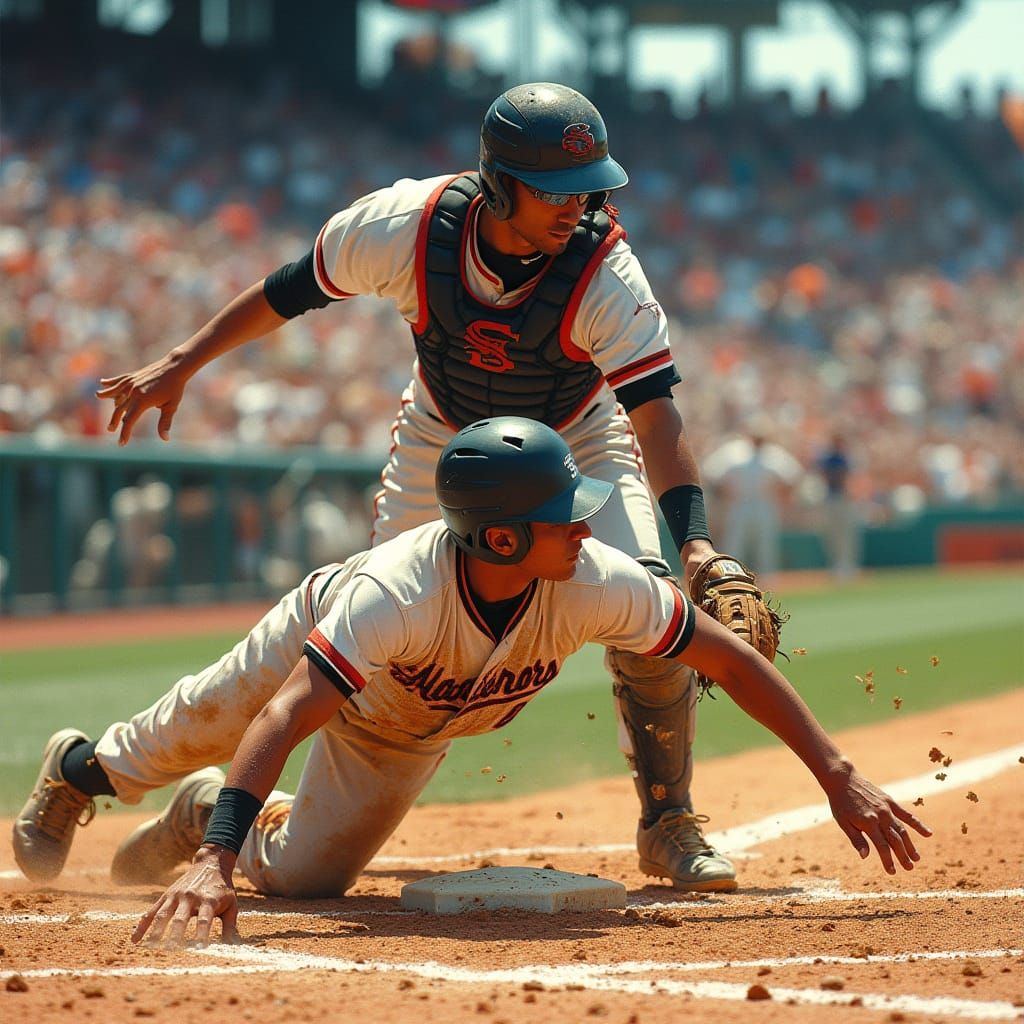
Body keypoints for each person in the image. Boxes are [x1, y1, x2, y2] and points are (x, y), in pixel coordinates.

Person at [99, 83, 763, 891]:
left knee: (652, 600)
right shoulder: (404, 227)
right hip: (444, 434)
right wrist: (182, 362)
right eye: (554, 190)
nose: (576, 207)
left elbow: (656, 419)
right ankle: (242, 805)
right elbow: (289, 289)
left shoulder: (605, 273)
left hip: (577, 437)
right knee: (385, 629)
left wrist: (692, 543)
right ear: (497, 182)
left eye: (588, 189)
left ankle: (668, 820)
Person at [13, 418, 930, 947]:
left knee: (306, 880)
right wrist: (215, 864)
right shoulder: (392, 595)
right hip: (324, 639)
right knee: (198, 723)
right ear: (499, 537)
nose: (586, 527)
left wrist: (835, 770)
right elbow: (292, 709)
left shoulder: (591, 579)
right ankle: (85, 773)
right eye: (562, 516)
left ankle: (201, 811)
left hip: (403, 728)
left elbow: (725, 657)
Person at [703, 419, 803, 576]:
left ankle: (768, 586)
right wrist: (724, 495)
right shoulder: (734, 451)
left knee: (766, 549)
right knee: (734, 546)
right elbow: (711, 473)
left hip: (764, 504)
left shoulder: (774, 454)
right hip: (739, 504)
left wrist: (782, 497)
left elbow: (794, 476)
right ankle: (730, 581)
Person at [817, 432, 860, 581]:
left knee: (847, 536)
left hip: (844, 498)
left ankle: (848, 568)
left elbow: (850, 478)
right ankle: (835, 567)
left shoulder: (845, 458)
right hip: (831, 498)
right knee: (832, 536)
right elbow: (824, 475)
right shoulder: (828, 458)